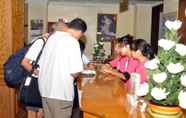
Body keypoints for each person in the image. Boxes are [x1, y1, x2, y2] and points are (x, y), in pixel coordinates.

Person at [38, 18, 87, 118]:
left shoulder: (51, 38)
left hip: (45, 91)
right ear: (80, 32)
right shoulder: (72, 41)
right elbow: (75, 71)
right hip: (60, 93)